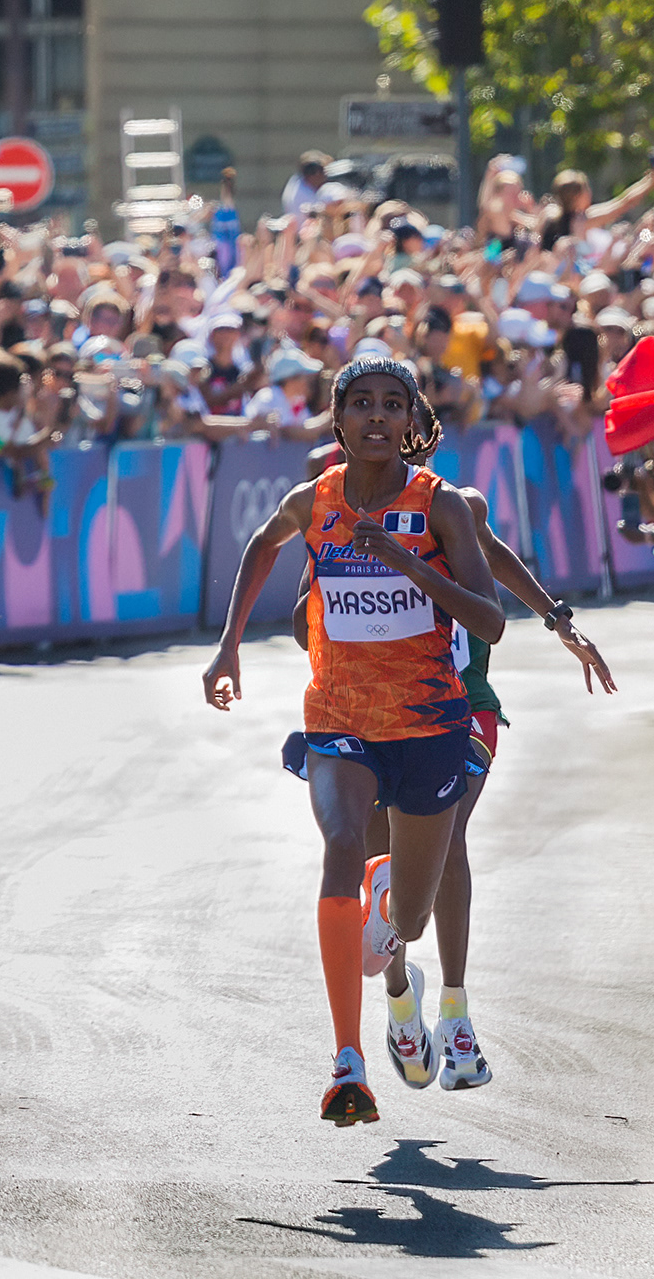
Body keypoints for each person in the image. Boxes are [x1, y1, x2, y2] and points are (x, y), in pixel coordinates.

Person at [203, 356, 505, 1126]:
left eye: (392, 404)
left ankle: (402, 988)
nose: (376, 417)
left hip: (429, 725)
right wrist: (229, 644)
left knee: (407, 913)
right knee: (341, 844)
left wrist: (411, 566)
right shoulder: (314, 499)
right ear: (336, 420)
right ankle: (348, 1062)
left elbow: (490, 619)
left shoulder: (442, 507)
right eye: (361, 404)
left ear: (412, 420)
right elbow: (260, 548)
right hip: (338, 718)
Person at [288, 485, 616, 1089]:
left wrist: (562, 625)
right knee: (379, 856)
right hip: (376, 714)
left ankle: (457, 1016)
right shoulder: (339, 523)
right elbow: (305, 621)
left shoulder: (454, 508)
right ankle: (399, 1000)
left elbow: (499, 561)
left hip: (465, 707)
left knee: (451, 834)